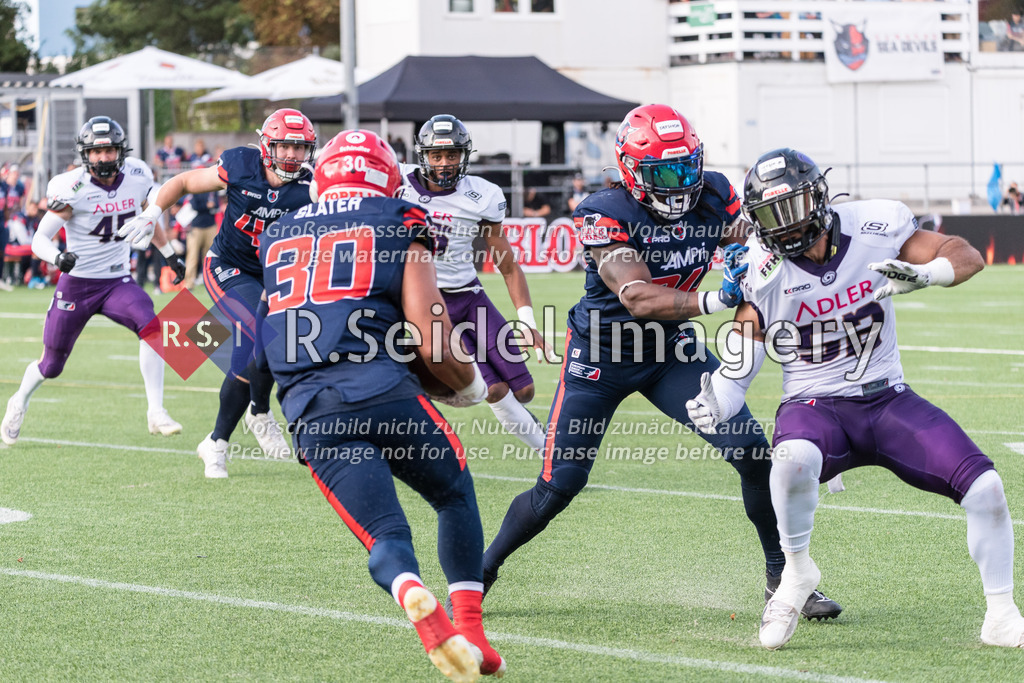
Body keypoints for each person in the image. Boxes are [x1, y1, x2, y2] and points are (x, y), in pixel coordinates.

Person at [480, 105, 841, 621]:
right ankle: (480, 573)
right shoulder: (603, 210)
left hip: (671, 352)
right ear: (630, 170)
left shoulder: (715, 192)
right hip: (601, 358)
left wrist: (760, 253)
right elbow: (637, 297)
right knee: (560, 485)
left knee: (752, 453)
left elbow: (758, 238)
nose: (680, 183)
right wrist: (720, 298)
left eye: (686, 167)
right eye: (664, 173)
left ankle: (785, 581)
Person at [685, 147, 1024, 650]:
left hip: (887, 399)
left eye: (792, 208)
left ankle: (1001, 612)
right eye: (770, 216)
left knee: (987, 488)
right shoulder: (762, 267)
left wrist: (929, 274)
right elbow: (742, 362)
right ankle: (796, 572)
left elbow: (966, 254)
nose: (784, 225)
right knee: (792, 458)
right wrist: (720, 396)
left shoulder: (874, 225)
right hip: (814, 405)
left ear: (818, 197)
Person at [260, 129, 505, 680]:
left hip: (311, 406)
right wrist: (465, 386)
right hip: (381, 387)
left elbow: (260, 341)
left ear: (322, 174)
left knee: (386, 537)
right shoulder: (400, 217)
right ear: (388, 174)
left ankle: (410, 590)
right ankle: (471, 632)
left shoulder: (277, 234)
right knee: (452, 492)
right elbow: (428, 330)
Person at [119, 108, 317, 477]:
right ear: (267, 145)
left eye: (299, 147)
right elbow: (182, 182)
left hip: (278, 276)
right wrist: (152, 212)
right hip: (229, 267)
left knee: (252, 355)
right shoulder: (241, 165)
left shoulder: (313, 187)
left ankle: (216, 443)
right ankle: (259, 410)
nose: (292, 154)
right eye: (285, 145)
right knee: (265, 335)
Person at [1, 116, 185, 446]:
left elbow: (148, 217)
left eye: (109, 151)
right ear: (86, 154)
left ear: (120, 151)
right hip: (78, 283)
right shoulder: (72, 187)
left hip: (117, 281)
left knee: (151, 325)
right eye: (96, 152)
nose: (103, 158)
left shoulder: (138, 177)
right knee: (52, 364)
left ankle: (156, 411)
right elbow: (39, 238)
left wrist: (169, 253)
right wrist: (57, 258)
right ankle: (19, 401)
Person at [396, 114, 555, 455]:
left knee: (523, 390)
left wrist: (527, 323)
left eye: (452, 154)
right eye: (436, 155)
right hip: (429, 304)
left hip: (470, 297)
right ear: (422, 155)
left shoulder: (482, 194)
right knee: (494, 390)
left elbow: (508, 266)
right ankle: (551, 457)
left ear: (464, 155)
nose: (444, 163)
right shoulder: (398, 184)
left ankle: (528, 426)